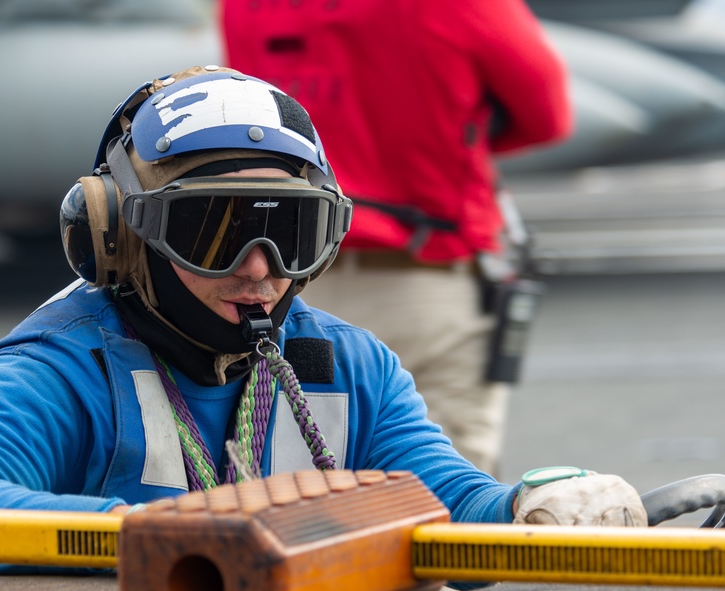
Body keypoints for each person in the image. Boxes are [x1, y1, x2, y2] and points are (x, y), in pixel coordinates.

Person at [0, 66, 641, 574]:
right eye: (214, 231)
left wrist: (528, 504)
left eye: (289, 233)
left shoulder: (348, 365)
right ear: (118, 235)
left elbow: (441, 501)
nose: (261, 267)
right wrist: (163, 536)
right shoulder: (70, 366)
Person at [220, 0, 573, 477]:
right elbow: (548, 113)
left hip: (281, 279)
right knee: (444, 498)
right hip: (426, 277)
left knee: (288, 486)